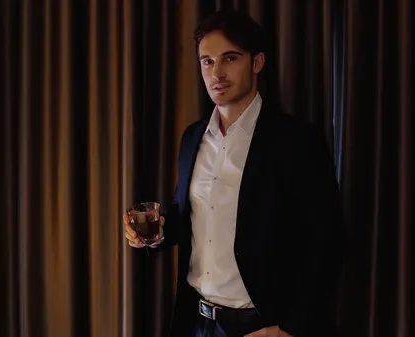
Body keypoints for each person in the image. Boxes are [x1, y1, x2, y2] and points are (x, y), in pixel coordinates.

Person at [124, 9, 345, 337]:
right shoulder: (192, 138)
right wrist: (151, 236)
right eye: (207, 61)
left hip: (264, 326)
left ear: (257, 63)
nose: (217, 73)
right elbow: (186, 219)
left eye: (230, 58)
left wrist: (289, 328)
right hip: (196, 322)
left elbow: (328, 241)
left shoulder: (296, 139)